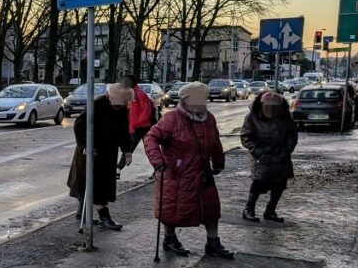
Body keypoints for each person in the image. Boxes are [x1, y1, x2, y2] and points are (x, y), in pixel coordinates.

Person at [143, 81, 233, 258]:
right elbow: (151, 138)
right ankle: (170, 239)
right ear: (186, 100)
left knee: (211, 208)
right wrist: (158, 162)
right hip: (176, 173)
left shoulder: (209, 118)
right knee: (172, 209)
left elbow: (214, 142)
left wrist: (218, 162)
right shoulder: (172, 118)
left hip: (203, 171)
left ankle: (213, 242)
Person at [67, 82, 132, 231]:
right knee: (94, 185)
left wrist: (127, 150)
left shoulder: (121, 108)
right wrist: (85, 146)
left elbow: (123, 130)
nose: (124, 105)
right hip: (91, 151)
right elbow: (79, 125)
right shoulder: (97, 104)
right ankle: (105, 217)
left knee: (94, 184)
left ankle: (81, 214)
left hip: (108, 152)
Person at [240, 91, 298, 223]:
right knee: (259, 181)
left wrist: (287, 150)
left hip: (282, 154)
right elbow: (246, 136)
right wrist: (259, 151)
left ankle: (270, 210)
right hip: (262, 155)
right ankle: (248, 209)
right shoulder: (253, 117)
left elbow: (292, 134)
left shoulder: (285, 116)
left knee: (280, 183)